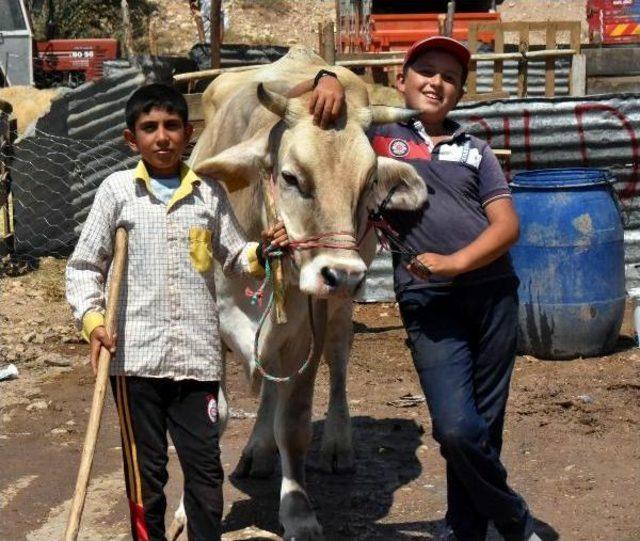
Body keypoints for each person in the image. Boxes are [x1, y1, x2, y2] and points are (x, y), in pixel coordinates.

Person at [330, 37, 540, 540]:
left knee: (483, 429)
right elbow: (330, 94)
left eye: (449, 77)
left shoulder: (477, 150)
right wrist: (324, 80)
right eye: (425, 70)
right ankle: (514, 520)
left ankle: (463, 530)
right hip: (429, 301)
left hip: (493, 293)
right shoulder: (378, 137)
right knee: (455, 428)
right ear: (400, 81)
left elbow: (506, 226)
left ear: (460, 93)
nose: (436, 82)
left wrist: (455, 262)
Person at [65, 83, 291, 541]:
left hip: (197, 362)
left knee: (206, 478)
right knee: (145, 478)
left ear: (189, 133)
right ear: (132, 139)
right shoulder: (117, 192)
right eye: (150, 128)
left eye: (172, 126)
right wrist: (92, 322)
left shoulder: (208, 193)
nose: (162, 136)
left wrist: (264, 252)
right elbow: (84, 266)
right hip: (134, 363)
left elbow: (234, 259)